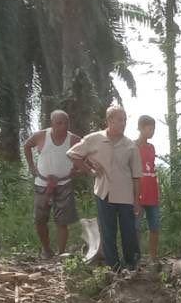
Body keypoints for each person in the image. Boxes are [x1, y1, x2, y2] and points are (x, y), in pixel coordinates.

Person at [68, 105, 144, 270]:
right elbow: (72, 154)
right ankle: (113, 267)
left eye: (125, 120)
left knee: (129, 232)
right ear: (109, 120)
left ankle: (132, 264)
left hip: (126, 195)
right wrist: (90, 170)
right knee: (108, 232)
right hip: (104, 192)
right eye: (120, 120)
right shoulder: (94, 139)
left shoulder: (130, 146)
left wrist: (137, 200)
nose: (123, 123)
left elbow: (136, 176)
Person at [24, 110, 81, 260]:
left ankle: (61, 253)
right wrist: (31, 167)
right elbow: (26, 146)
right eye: (59, 123)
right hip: (42, 183)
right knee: (40, 219)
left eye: (66, 123)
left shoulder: (74, 139)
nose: (63, 127)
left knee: (62, 221)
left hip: (64, 183)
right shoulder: (41, 136)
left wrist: (78, 170)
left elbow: (87, 154)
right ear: (52, 124)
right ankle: (47, 249)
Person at [136, 115, 163, 266]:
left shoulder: (151, 147)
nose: (152, 132)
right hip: (139, 192)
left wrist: (158, 189)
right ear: (140, 128)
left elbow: (152, 169)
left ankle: (153, 256)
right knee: (136, 227)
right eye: (149, 129)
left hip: (152, 192)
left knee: (155, 225)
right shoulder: (133, 146)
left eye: (153, 129)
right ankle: (136, 256)